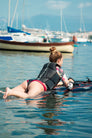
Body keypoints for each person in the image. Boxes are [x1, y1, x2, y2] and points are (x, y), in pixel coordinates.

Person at [1, 47, 74, 99]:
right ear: (58, 60)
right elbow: (68, 86)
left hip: (29, 82)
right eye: (62, 60)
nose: (62, 62)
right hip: (38, 86)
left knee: (5, 94)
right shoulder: (60, 70)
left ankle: (5, 92)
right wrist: (70, 81)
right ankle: (10, 92)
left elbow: (47, 79)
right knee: (29, 97)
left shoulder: (46, 65)